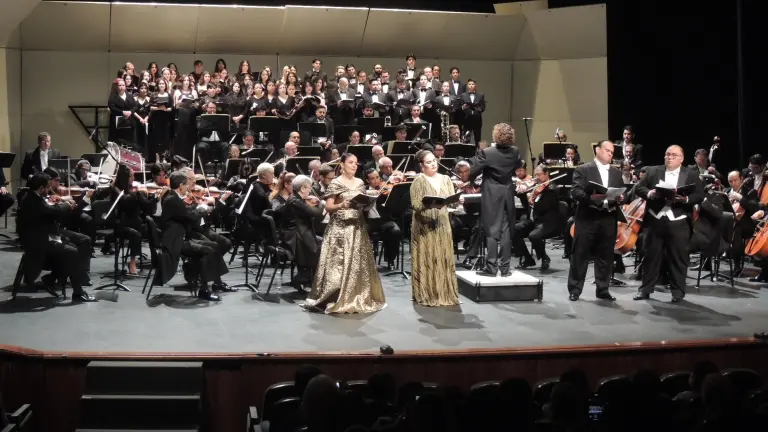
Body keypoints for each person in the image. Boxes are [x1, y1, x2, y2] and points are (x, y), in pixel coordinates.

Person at [302, 153, 386, 314]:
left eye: (356, 163)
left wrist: (369, 202)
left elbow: (363, 208)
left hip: (357, 227)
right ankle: (335, 296)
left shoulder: (360, 183)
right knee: (339, 263)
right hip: (339, 229)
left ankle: (356, 294)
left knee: (356, 263)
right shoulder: (336, 183)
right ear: (342, 164)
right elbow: (329, 207)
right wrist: (343, 204)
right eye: (350, 162)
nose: (354, 165)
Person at [633, 145, 704, 302]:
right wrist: (650, 193)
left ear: (681, 159)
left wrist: (685, 199)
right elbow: (639, 188)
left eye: (673, 155)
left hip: (678, 222)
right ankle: (645, 290)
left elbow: (699, 195)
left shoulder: (691, 174)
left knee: (678, 259)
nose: (669, 157)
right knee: (650, 257)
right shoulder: (653, 171)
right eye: (667, 154)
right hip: (655, 220)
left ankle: (678, 293)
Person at [17, 172, 96, 302]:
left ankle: (58, 278)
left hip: (43, 235)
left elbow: (47, 210)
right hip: (38, 241)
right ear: (41, 188)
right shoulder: (34, 201)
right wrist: (67, 205)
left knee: (77, 244)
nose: (49, 190)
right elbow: (52, 211)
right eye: (47, 187)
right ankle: (77, 291)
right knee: (72, 251)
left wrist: (57, 202)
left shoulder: (32, 197)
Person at [566, 140, 625, 302]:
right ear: (597, 150)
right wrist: (593, 198)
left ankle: (603, 289)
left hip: (608, 217)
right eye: (607, 150)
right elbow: (575, 192)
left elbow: (622, 193)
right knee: (580, 254)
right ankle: (575, 289)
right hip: (588, 217)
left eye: (612, 152)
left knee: (605, 255)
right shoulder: (583, 169)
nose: (610, 154)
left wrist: (620, 197)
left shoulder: (616, 173)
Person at [469, 122, 522, 276]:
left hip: (492, 193)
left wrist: (473, 178)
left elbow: (473, 172)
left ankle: (491, 267)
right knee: (506, 229)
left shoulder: (487, 152)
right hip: (507, 192)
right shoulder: (515, 151)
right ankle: (505, 268)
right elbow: (518, 166)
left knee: (492, 228)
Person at [410, 149, 460, 306]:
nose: (432, 164)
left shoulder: (446, 179)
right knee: (428, 258)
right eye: (428, 162)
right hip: (425, 224)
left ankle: (445, 291)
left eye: (434, 161)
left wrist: (458, 201)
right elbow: (416, 205)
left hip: (442, 222)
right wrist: (429, 204)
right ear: (421, 165)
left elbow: (451, 201)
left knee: (443, 256)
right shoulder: (419, 181)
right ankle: (428, 293)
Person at [282, 175, 325, 290]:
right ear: (302, 189)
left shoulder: (297, 200)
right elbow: (315, 214)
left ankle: (309, 278)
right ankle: (303, 278)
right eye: (309, 187)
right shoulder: (295, 202)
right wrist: (321, 203)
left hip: (301, 233)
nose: (310, 190)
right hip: (295, 237)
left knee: (323, 243)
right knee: (320, 247)